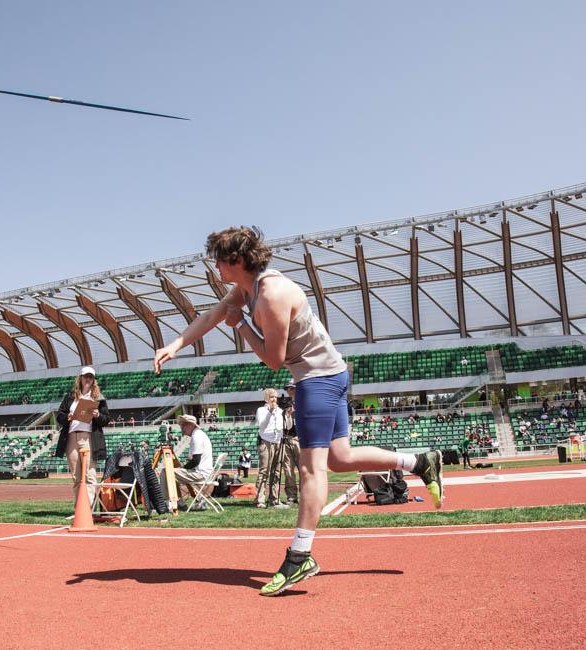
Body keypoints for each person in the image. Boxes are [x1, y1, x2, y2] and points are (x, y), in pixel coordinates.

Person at [153, 226, 442, 596]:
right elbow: (213, 314)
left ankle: (299, 555)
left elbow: (273, 360)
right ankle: (418, 462)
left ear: (237, 260)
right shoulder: (250, 287)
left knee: (310, 469)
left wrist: (240, 324)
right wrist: (176, 344)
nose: (216, 268)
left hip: (317, 380)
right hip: (332, 372)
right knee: (340, 458)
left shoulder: (269, 295)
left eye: (219, 261)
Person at [54, 366, 110, 502]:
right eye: (86, 376)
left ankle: (89, 509)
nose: (88, 379)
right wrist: (68, 416)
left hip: (88, 437)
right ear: (80, 378)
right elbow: (59, 415)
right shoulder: (70, 396)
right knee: (76, 476)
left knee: (89, 474)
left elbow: (105, 420)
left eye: (91, 377)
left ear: (93, 380)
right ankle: (79, 508)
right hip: (71, 437)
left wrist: (97, 415)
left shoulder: (99, 398)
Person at [160, 414, 215, 509]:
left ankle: (166, 502)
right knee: (173, 473)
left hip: (200, 474)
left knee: (166, 472)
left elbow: (195, 461)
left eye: (183, 425)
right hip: (204, 472)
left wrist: (183, 467)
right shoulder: (199, 434)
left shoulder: (197, 436)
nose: (181, 427)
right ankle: (179, 502)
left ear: (190, 425)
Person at [255, 388, 287, 508]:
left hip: (278, 441)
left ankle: (274, 498)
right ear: (266, 398)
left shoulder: (280, 411)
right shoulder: (261, 410)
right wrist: (270, 411)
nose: (274, 399)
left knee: (277, 471)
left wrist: (288, 416)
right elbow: (262, 425)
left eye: (275, 397)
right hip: (266, 441)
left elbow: (286, 427)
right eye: (271, 397)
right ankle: (260, 499)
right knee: (264, 471)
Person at [280, 382, 301, 503]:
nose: (290, 390)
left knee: (303, 469)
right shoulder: (284, 404)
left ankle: (305, 494)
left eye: (292, 388)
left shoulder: (304, 402)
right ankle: (292, 496)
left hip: (300, 438)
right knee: (288, 469)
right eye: (288, 388)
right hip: (287, 438)